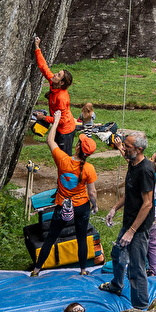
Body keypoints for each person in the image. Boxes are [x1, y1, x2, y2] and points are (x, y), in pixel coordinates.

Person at [32, 109, 98, 276]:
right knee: (82, 238)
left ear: (77, 147)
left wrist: (56, 121)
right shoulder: (89, 169)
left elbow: (50, 140)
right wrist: (95, 206)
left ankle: (36, 270)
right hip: (82, 206)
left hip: (63, 206)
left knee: (52, 236)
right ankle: (83, 270)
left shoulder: (63, 159)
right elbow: (92, 193)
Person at [101, 131, 156, 308]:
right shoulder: (133, 162)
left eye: (127, 146)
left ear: (139, 149)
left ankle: (140, 307)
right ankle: (117, 285)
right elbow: (131, 192)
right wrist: (114, 208)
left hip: (138, 228)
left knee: (136, 268)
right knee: (117, 254)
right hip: (128, 222)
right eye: (124, 145)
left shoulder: (146, 170)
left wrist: (132, 232)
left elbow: (147, 204)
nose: (124, 148)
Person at [34, 36, 76, 156]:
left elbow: (61, 121)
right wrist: (37, 47)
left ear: (61, 82)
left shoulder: (62, 98)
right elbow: (43, 67)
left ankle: (70, 175)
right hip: (58, 128)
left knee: (64, 158)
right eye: (57, 73)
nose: (55, 75)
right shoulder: (54, 82)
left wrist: (44, 118)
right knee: (57, 156)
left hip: (65, 131)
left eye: (58, 75)